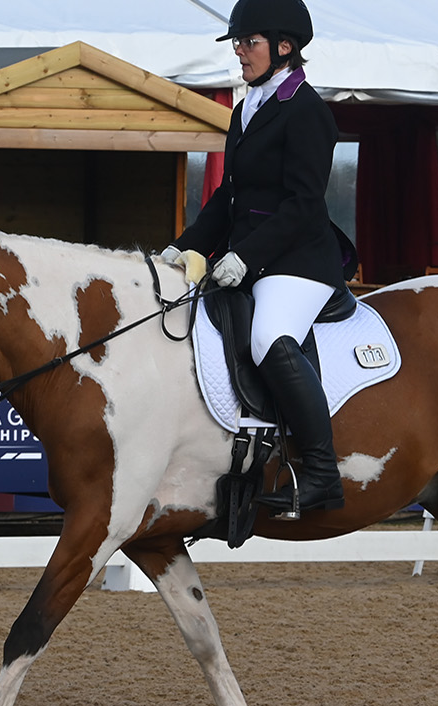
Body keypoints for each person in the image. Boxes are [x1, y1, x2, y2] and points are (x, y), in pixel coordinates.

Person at [162, 0, 346, 515]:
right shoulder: (247, 107)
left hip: (299, 261)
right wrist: (187, 243)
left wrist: (246, 255)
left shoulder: (308, 111)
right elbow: (229, 195)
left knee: (269, 336)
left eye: (249, 43)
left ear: (283, 46)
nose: (240, 52)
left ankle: (321, 472)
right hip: (251, 256)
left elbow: (304, 203)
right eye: (238, 43)